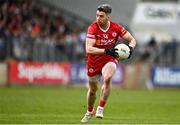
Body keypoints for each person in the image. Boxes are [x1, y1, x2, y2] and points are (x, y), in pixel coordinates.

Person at [81, 4, 136, 123]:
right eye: (97, 15)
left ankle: (100, 108)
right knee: (92, 90)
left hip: (109, 59)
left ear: (108, 17)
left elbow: (132, 39)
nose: (98, 18)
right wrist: (106, 50)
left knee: (108, 77)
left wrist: (130, 48)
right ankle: (90, 111)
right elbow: (89, 49)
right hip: (94, 60)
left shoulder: (116, 27)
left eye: (101, 16)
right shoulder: (93, 28)